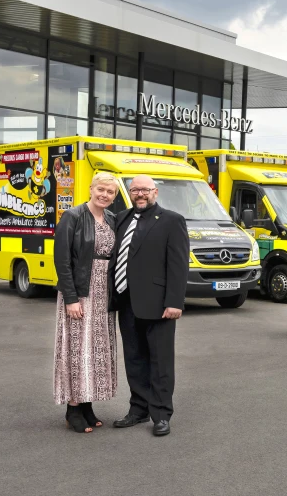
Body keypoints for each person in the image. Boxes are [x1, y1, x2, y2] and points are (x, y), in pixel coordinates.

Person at [108, 175, 189, 437]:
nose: (140, 194)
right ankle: (138, 409)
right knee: (134, 359)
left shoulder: (171, 220)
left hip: (159, 305)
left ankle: (161, 415)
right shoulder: (120, 218)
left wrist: (174, 302)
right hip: (126, 301)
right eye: (135, 190)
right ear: (129, 193)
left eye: (145, 190)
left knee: (160, 362)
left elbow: (178, 264)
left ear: (155, 192)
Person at [53, 172, 119, 434]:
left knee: (95, 349)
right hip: (80, 292)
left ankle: (88, 404)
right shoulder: (73, 216)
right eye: (100, 189)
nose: (104, 195)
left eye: (110, 192)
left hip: (105, 295)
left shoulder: (113, 219)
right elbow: (62, 260)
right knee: (77, 349)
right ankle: (73, 408)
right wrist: (71, 298)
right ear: (91, 188)